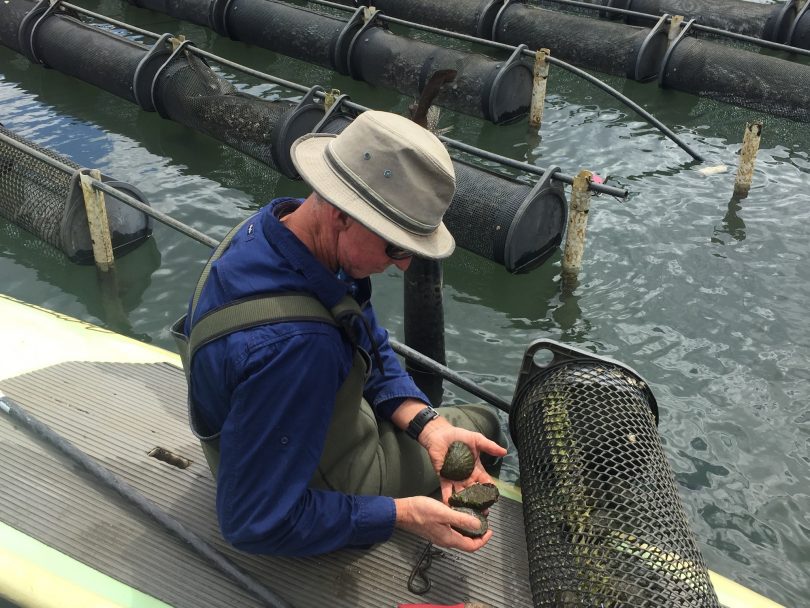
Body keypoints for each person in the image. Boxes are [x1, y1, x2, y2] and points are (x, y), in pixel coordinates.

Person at [176, 110, 507, 557]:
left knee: (448, 429)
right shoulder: (299, 349)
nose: (405, 264)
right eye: (395, 245)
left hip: (273, 435)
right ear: (341, 213)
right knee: (485, 425)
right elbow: (253, 522)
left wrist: (427, 425)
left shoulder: (276, 229)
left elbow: (364, 334)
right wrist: (404, 515)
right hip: (308, 484)